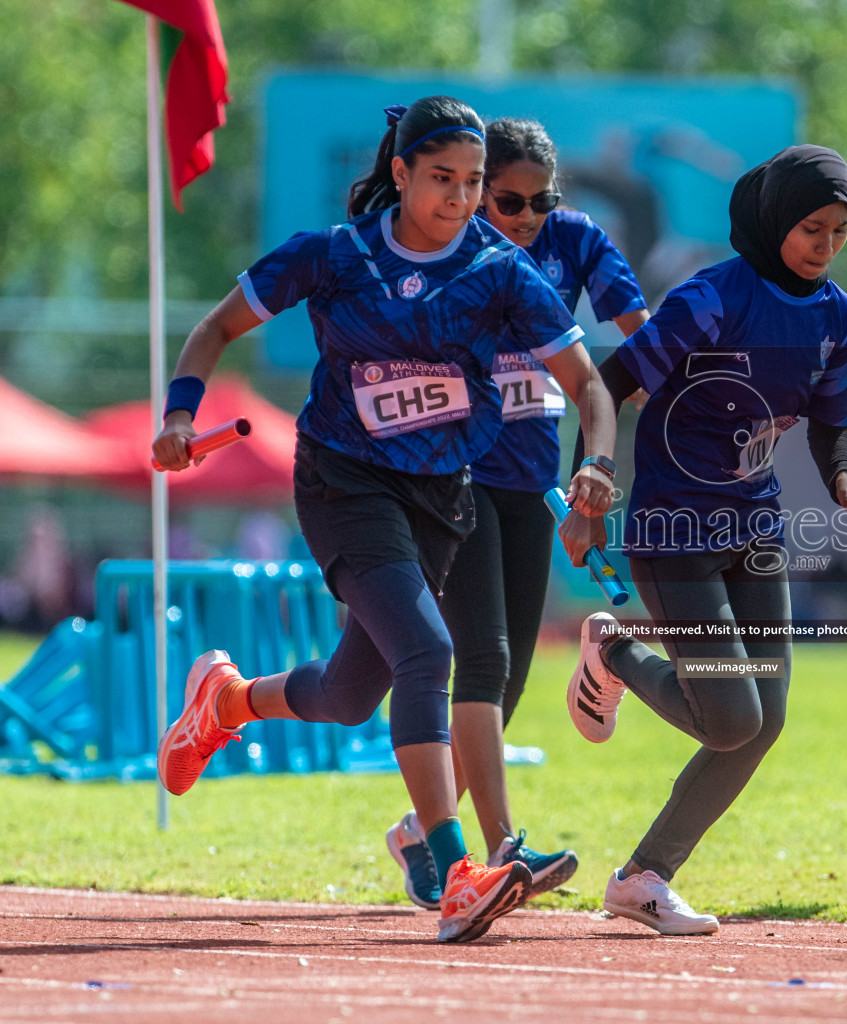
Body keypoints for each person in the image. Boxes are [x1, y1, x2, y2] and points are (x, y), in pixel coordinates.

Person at [151, 95, 617, 942]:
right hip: (342, 481)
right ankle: (454, 874)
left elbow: (587, 383)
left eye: (474, 183)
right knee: (431, 650)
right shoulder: (334, 257)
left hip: (442, 495)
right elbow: (218, 326)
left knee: (351, 693)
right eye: (443, 179)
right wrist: (182, 414)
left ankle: (225, 701)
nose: (462, 200)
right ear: (400, 174)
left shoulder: (501, 270)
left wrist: (596, 460)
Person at [565, 145, 847, 935]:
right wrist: (590, 481)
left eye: (840, 232)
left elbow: (830, 428)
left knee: (762, 723)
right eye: (813, 227)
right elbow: (610, 383)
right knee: (734, 719)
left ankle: (645, 877)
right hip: (674, 531)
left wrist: (844, 479)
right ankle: (615, 653)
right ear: (777, 219)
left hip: (758, 529)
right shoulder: (712, 297)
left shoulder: (838, 318)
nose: (826, 246)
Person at [383, 117, 651, 910]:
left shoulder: (576, 240)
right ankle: (498, 849)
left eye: (543, 200)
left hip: (533, 476)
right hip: (455, 473)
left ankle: (416, 834)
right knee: (485, 661)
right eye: (507, 199)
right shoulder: (451, 248)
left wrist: (598, 467)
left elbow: (638, 339)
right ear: (472, 186)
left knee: (508, 681)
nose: (527, 215)